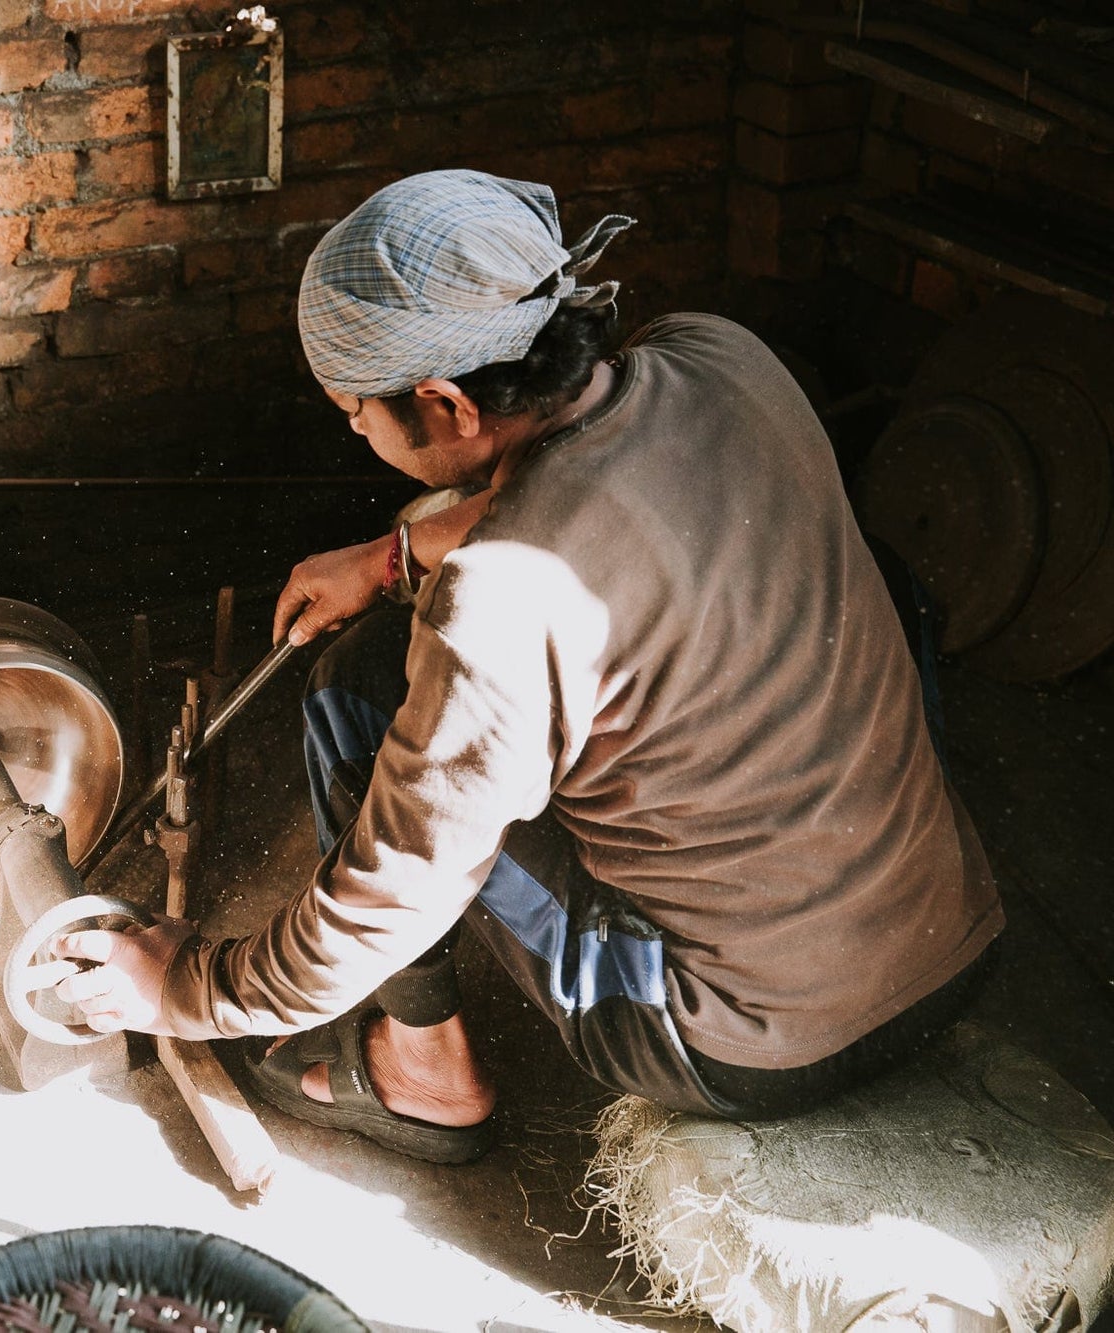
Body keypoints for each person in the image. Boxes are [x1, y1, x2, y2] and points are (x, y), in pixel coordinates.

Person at [51, 169, 1002, 1162]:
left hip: (742, 1038)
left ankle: (424, 1075)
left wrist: (187, 986)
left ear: (447, 406)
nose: (355, 433)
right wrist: (393, 557)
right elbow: (600, 483)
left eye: (354, 414)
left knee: (357, 700)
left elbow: (393, 889)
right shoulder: (721, 356)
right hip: (952, 944)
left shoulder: (491, 604)